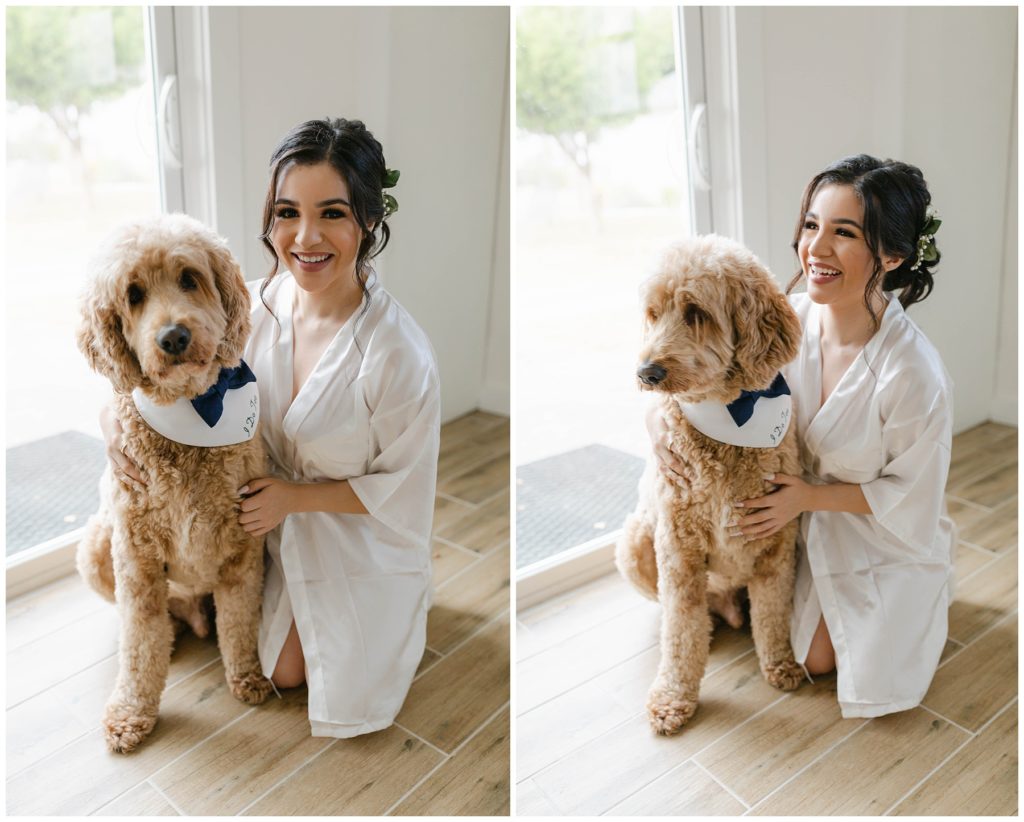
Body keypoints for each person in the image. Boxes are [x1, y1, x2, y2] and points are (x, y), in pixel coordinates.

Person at [103, 117, 441, 738]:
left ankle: (404, 603)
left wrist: (294, 499)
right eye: (288, 212)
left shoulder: (397, 353)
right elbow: (156, 363)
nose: (306, 237)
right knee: (269, 656)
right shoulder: (254, 305)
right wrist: (113, 419)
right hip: (253, 518)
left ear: (368, 220)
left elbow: (406, 488)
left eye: (332, 213)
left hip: (349, 526)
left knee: (296, 676)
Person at [650, 155, 954, 718]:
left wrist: (805, 497)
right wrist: (657, 422)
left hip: (869, 526)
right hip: (782, 518)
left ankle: (920, 598)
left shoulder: (913, 373)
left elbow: (913, 492)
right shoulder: (788, 323)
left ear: (891, 255)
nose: (816, 247)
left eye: (843, 233)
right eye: (812, 225)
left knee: (818, 661)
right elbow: (702, 373)